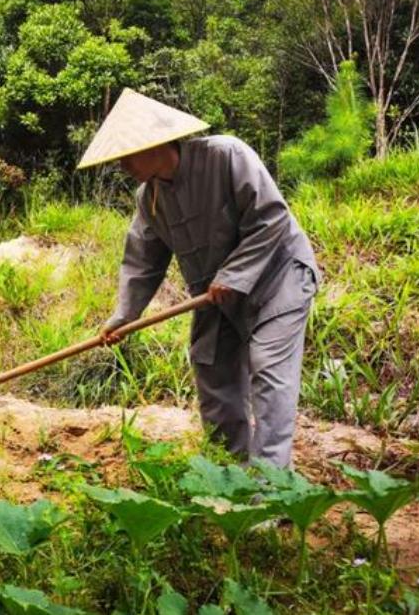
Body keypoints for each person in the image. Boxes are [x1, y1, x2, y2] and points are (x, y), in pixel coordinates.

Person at [78, 88, 319, 469]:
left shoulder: (226, 155)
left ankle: (273, 491)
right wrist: (124, 317)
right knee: (212, 369)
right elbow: (143, 261)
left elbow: (271, 217)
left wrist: (235, 274)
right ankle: (229, 475)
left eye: (126, 155)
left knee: (270, 375)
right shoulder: (149, 198)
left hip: (278, 280)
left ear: (154, 143)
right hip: (214, 294)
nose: (122, 166)